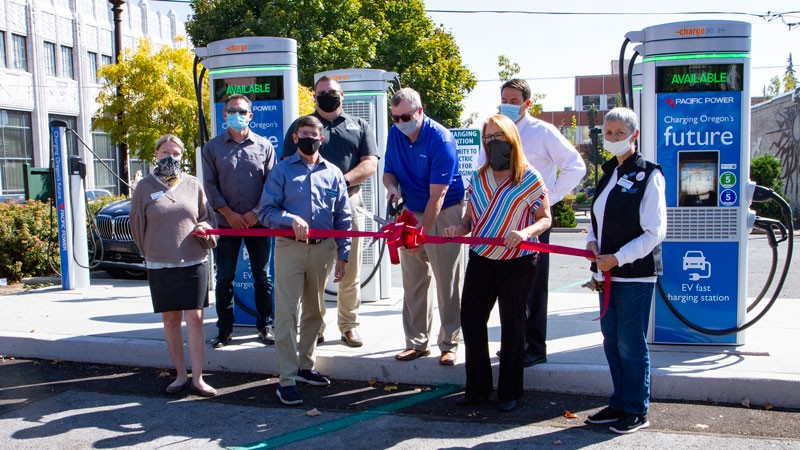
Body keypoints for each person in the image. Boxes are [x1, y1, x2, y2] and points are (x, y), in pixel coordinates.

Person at [445, 114, 551, 413]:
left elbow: (545, 218)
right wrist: (459, 229)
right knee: (472, 320)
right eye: (488, 138)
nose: (493, 144)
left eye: (498, 138)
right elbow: (469, 218)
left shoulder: (530, 178)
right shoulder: (478, 177)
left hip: (517, 262)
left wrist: (525, 232)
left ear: (512, 139)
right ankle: (477, 388)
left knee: (513, 325)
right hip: (481, 258)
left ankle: (510, 392)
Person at [481, 78, 586, 367]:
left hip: (534, 221)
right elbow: (482, 170)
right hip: (500, 222)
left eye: (514, 101)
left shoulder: (542, 133)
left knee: (533, 285)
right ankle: (514, 343)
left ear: (527, 103)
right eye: (505, 99)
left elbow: (576, 166)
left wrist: (547, 198)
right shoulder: (494, 133)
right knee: (507, 288)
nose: (509, 105)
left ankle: (534, 347)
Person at [258, 115, 352, 406]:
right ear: (296, 138)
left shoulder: (334, 173)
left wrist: (343, 253)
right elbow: (266, 211)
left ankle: (305, 367)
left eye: (314, 134)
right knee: (287, 313)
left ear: (321, 138)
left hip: (323, 249)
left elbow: (343, 216)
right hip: (290, 246)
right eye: (304, 134)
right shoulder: (282, 171)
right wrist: (289, 218)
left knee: (315, 310)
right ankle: (285, 379)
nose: (309, 138)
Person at [584, 107, 666, 434]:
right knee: (611, 341)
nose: (614, 138)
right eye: (609, 133)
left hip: (634, 274)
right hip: (605, 274)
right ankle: (619, 402)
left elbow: (655, 231)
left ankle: (636, 409)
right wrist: (592, 243)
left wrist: (617, 258)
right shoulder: (609, 173)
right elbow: (596, 220)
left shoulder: (649, 174)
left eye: (620, 133)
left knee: (631, 343)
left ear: (635, 135)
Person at [282, 75, 379, 348]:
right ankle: (316, 326)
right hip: (310, 208)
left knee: (350, 270)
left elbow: (370, 163)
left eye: (332, 91)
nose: (327, 95)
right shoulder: (303, 127)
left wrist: (340, 182)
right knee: (316, 272)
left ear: (342, 95)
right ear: (314, 96)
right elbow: (287, 164)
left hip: (349, 201)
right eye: (322, 92)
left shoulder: (358, 125)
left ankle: (349, 326)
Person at [130, 134, 218, 397]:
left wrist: (205, 228)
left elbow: (207, 218)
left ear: (183, 156)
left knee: (196, 318)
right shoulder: (145, 187)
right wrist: (152, 253)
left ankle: (199, 378)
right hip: (160, 263)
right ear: (156, 155)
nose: (171, 158)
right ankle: (180, 375)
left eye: (176, 153)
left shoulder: (193, 184)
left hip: (193, 261)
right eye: (165, 153)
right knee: (170, 320)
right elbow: (137, 225)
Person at [383, 87, 465, 366]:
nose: (400, 123)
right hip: (410, 209)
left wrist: (422, 232)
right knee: (413, 280)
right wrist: (393, 189)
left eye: (405, 116)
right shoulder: (395, 134)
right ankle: (416, 342)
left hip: (445, 212)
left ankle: (449, 343)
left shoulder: (441, 138)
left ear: (419, 111)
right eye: (395, 118)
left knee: (447, 281)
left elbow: (438, 195)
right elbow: (388, 173)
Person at [202, 94, 277, 348]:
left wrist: (256, 212)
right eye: (232, 110)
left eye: (242, 111)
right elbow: (210, 186)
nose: (237, 114)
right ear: (224, 114)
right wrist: (228, 214)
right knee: (224, 278)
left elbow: (271, 185)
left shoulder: (265, 146)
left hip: (259, 223)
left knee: (262, 277)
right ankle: (224, 330)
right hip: (226, 224)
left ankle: (265, 326)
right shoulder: (212, 148)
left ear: (250, 115)